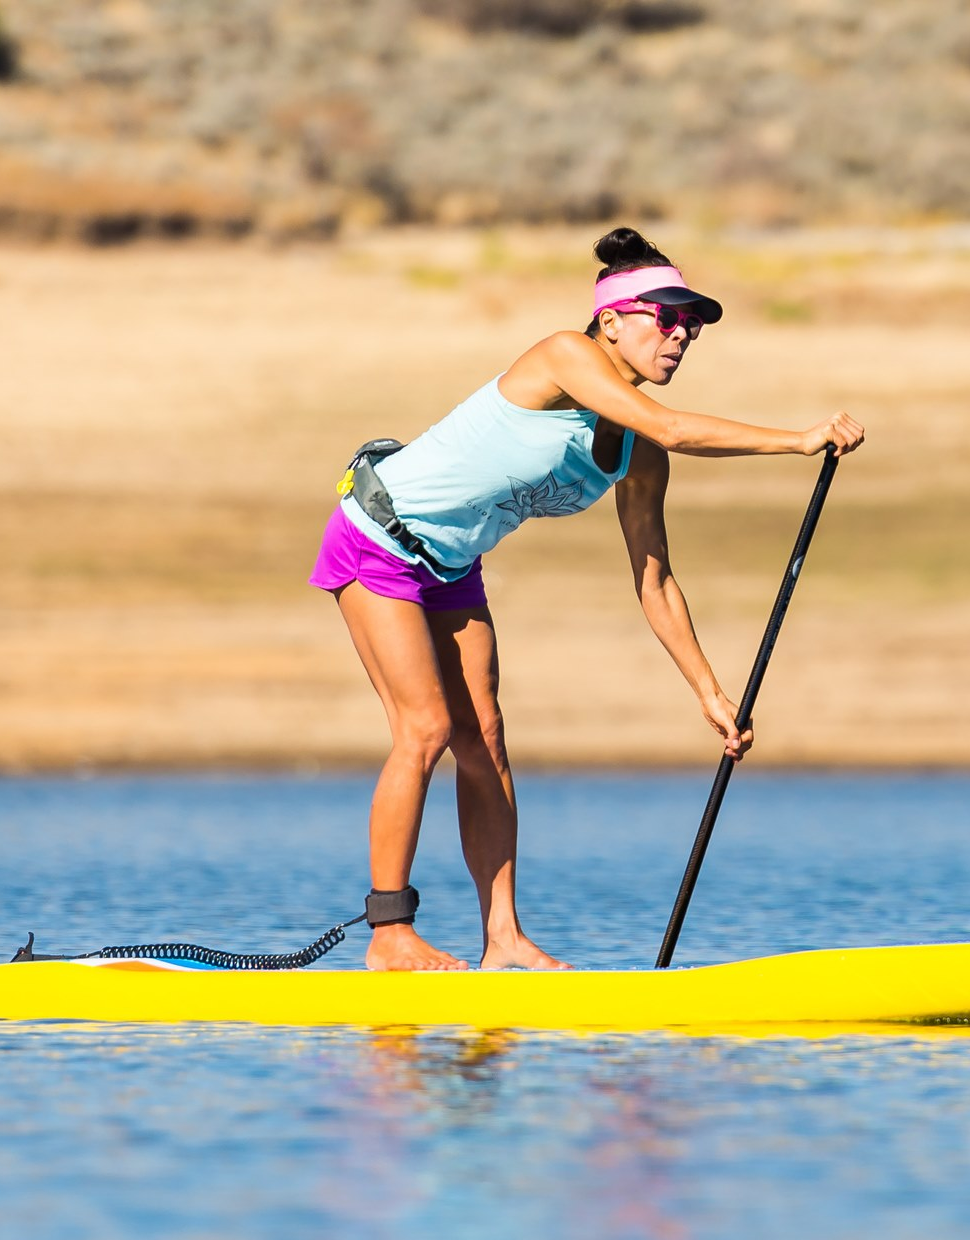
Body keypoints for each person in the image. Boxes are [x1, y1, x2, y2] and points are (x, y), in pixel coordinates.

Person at [309, 227, 866, 971]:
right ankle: (389, 933)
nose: (681, 336)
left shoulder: (640, 454)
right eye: (666, 318)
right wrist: (797, 440)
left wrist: (709, 691)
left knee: (488, 742)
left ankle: (502, 939)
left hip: (451, 563)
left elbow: (655, 578)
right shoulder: (562, 356)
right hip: (377, 535)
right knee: (428, 727)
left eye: (692, 324)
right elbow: (672, 422)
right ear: (611, 321)